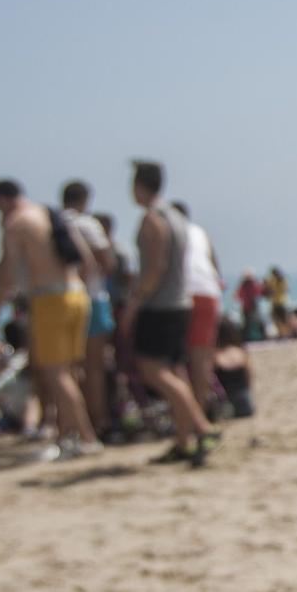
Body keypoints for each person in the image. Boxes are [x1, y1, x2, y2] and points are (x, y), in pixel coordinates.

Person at [0, 179, 100, 457]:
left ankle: (85, 438)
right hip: (77, 295)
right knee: (70, 373)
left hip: (49, 299)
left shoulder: (16, 224)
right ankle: (66, 436)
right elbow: (87, 262)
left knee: (56, 375)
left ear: (3, 200)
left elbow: (6, 279)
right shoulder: (51, 213)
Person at [125, 161, 217, 466]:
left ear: (140, 185)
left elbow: (155, 268)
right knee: (177, 371)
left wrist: (135, 303)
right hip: (181, 302)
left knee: (152, 369)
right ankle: (183, 440)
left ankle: (201, 427)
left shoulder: (153, 219)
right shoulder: (178, 218)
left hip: (161, 304)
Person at [60, 180, 118, 440]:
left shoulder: (55, 224)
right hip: (92, 299)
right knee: (95, 366)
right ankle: (99, 422)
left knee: (69, 368)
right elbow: (108, 261)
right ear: (86, 199)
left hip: (61, 298)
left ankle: (72, 424)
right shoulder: (86, 223)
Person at [174, 201, 224, 411]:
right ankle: (201, 408)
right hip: (209, 292)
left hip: (182, 293)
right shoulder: (200, 232)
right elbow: (214, 265)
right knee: (202, 357)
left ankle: (186, 412)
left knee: (175, 357)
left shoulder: (168, 229)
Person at [211, 317, 254, 419]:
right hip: (246, 404)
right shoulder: (241, 352)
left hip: (227, 404)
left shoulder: (216, 356)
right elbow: (249, 377)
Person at [264, 265, 291, 338]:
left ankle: (285, 334)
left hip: (280, 302)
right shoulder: (273, 280)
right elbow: (268, 291)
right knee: (277, 319)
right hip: (276, 303)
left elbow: (285, 290)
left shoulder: (281, 280)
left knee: (283, 319)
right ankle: (282, 333)